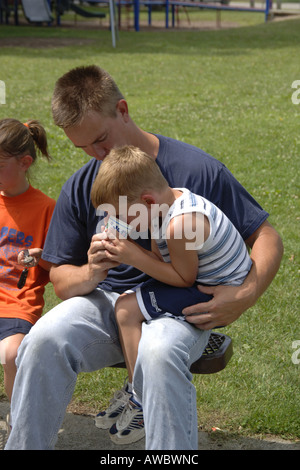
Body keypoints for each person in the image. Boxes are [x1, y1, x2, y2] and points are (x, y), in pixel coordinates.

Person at [5, 65, 283, 450]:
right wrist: (92, 270)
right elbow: (61, 278)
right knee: (42, 340)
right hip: (109, 300)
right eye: (83, 148)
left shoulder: (196, 170)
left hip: (182, 308)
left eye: (100, 140)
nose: (96, 155)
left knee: (159, 350)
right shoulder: (86, 183)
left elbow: (266, 235)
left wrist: (247, 291)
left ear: (123, 109)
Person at [90, 145, 253, 443]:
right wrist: (134, 250)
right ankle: (137, 387)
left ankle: (138, 396)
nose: (122, 225)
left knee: (126, 308)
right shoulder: (166, 202)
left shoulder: (181, 225)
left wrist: (133, 256)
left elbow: (182, 278)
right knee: (131, 303)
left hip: (210, 291)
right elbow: (162, 258)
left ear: (147, 201)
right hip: (203, 278)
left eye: (123, 218)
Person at [0, 118, 55, 404]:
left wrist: (40, 257)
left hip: (18, 304)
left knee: (11, 353)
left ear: (24, 162)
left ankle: (19, 419)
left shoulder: (46, 208)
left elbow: (58, 264)